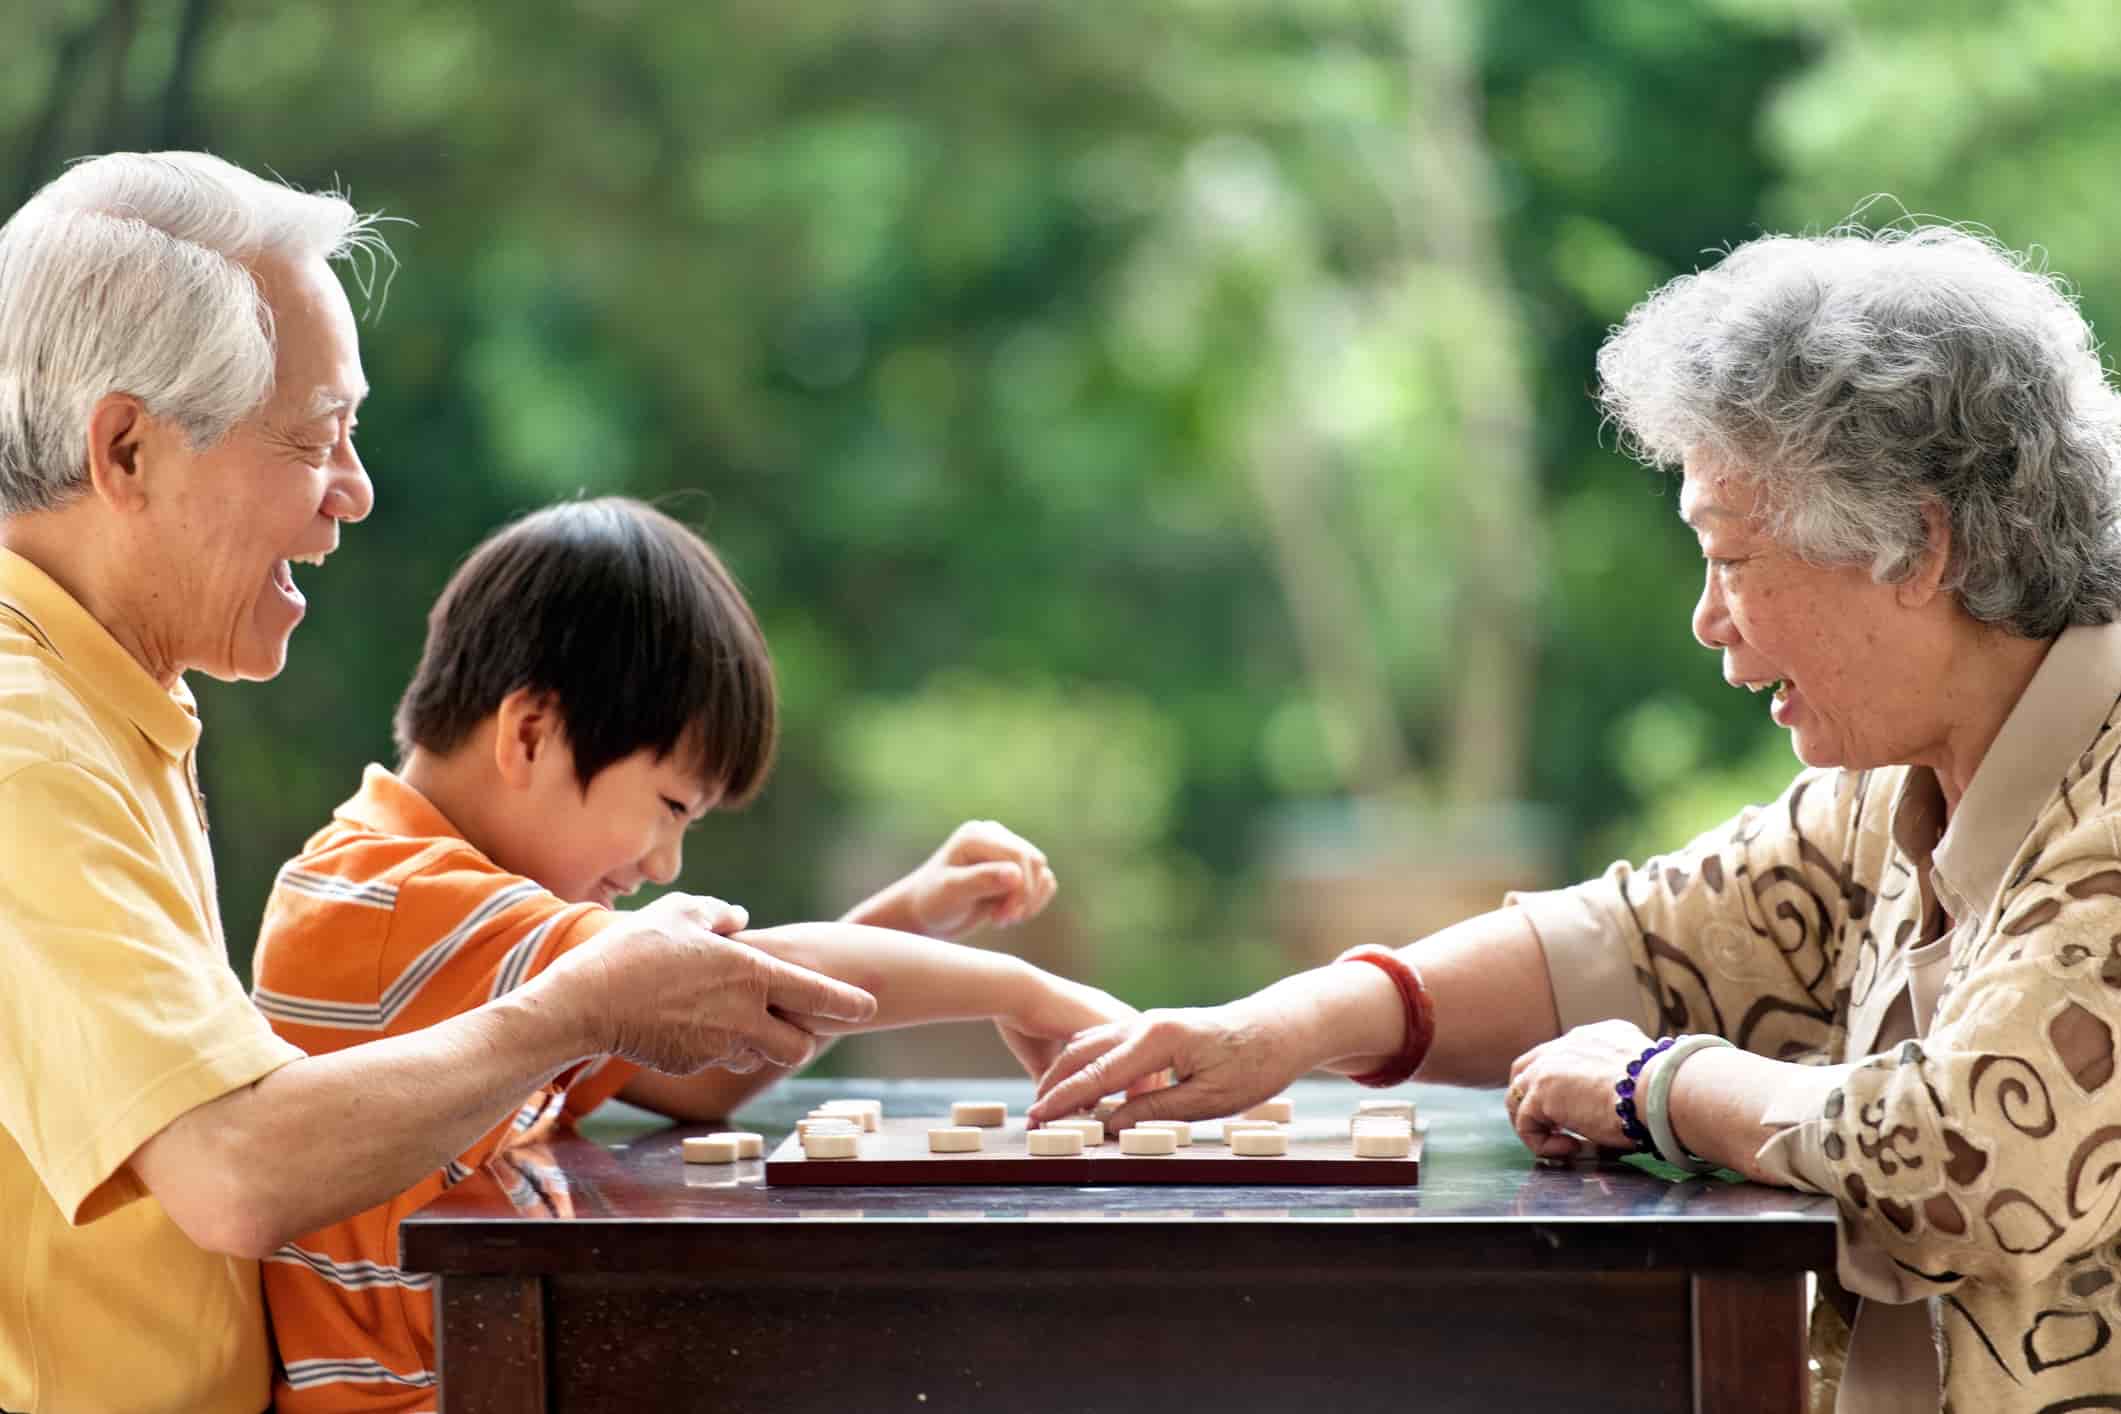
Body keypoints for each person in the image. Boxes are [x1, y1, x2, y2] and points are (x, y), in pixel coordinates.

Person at [1032, 223, 2121, 1412]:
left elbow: (1963, 1159)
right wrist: (1278, 1028)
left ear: (1917, 548)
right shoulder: (1901, 777)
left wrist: (1661, 1086)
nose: (1708, 618)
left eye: (1731, 557)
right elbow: (1647, 939)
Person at [0, 152, 881, 1414]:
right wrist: (576, 1007)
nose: (354, 493)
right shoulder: (25, 743)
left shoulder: (103, 703)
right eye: (316, 438)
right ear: (128, 449)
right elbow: (235, 1170)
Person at [252, 496, 1126, 1411]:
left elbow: (701, 1073)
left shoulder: (441, 910)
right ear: (531, 733)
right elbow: (717, 982)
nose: (665, 865)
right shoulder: (405, 900)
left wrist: (910, 917)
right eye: (670, 806)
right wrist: (1025, 990)